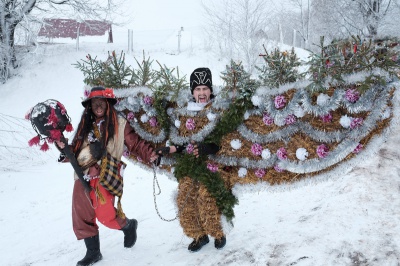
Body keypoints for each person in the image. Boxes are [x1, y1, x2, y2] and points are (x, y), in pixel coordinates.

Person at [55, 86, 159, 266]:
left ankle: (128, 226)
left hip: (107, 174)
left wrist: (150, 155)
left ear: (108, 104)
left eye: (101, 102)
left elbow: (135, 144)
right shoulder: (84, 126)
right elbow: (75, 151)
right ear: (90, 106)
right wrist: (62, 146)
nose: (98, 106)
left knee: (106, 216)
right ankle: (93, 252)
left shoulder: (120, 123)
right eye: (94, 103)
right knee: (81, 213)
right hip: (83, 174)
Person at [157, 67, 226, 252]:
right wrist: (170, 149)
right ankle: (199, 235)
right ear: (192, 91)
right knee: (184, 198)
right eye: (198, 89)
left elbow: (223, 142)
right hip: (192, 167)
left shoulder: (219, 110)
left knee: (206, 197)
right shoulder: (187, 112)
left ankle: (218, 232)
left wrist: (206, 148)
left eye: (205, 89)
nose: (202, 93)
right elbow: (184, 144)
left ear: (210, 90)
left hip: (213, 167)